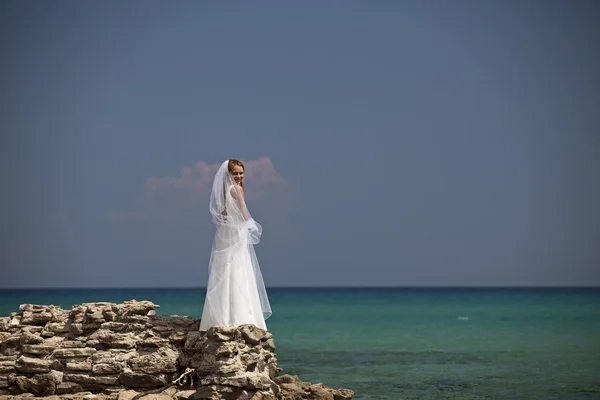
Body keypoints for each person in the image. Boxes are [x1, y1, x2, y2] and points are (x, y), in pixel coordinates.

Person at [199, 159, 272, 331]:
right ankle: (242, 317)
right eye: (235, 173)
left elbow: (225, 214)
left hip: (226, 235)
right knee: (239, 272)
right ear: (229, 175)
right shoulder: (237, 190)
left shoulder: (224, 192)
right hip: (236, 236)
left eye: (241, 173)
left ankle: (222, 317)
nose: (239, 176)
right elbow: (243, 211)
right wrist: (251, 225)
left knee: (227, 273)